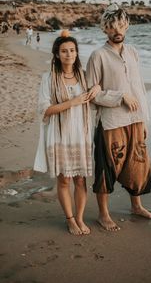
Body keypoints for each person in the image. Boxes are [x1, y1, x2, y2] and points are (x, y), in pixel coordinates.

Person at [86, 4, 151, 232]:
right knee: (107, 168)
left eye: (120, 24)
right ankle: (103, 214)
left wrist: (143, 119)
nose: (116, 29)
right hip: (111, 122)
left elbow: (139, 89)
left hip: (135, 121)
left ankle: (137, 206)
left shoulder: (133, 52)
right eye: (111, 26)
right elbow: (91, 93)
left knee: (138, 165)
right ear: (104, 29)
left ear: (127, 25)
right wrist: (120, 96)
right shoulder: (98, 56)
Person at [34, 30, 100, 235]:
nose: (69, 54)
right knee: (64, 180)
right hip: (60, 135)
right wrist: (72, 102)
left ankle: (79, 218)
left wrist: (97, 87)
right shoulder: (49, 78)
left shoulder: (84, 76)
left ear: (77, 53)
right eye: (64, 51)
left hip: (81, 134)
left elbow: (96, 92)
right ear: (56, 54)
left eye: (72, 50)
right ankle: (70, 219)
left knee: (81, 179)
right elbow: (45, 109)